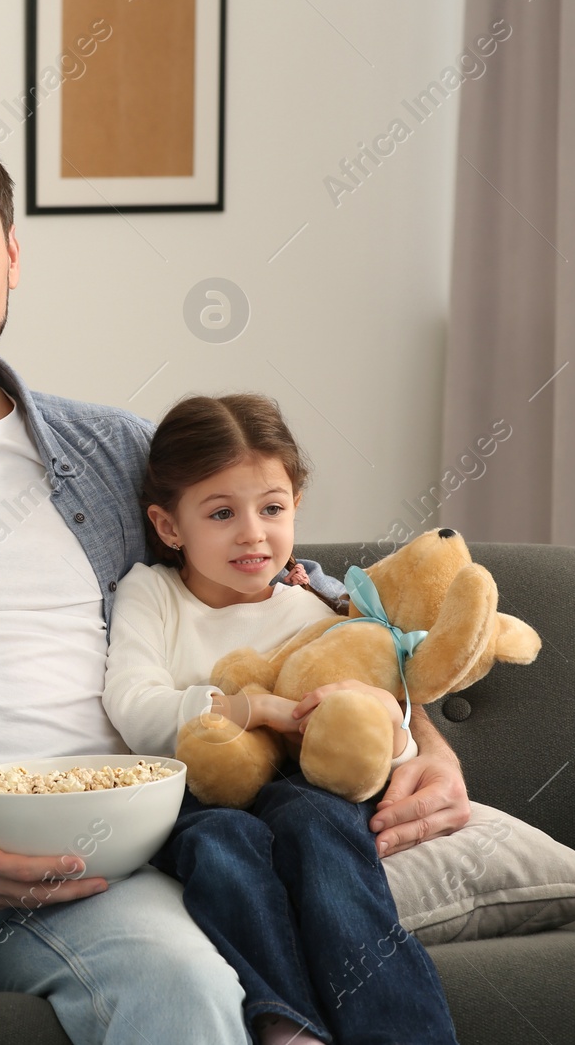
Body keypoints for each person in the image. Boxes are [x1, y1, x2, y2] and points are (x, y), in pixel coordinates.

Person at [0, 115, 471, 1045]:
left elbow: (297, 602)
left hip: (105, 869)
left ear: (12, 257)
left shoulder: (118, 454)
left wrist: (425, 737)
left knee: (191, 984)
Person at [102, 394, 457, 1045]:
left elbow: (380, 737)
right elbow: (131, 702)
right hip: (198, 790)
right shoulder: (151, 593)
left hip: (306, 787)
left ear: (295, 505)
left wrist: (388, 720)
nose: (252, 533)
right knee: (221, 844)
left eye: (272, 508)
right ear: (169, 524)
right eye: (221, 513)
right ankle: (289, 1025)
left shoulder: (317, 608)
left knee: (320, 827)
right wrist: (240, 708)